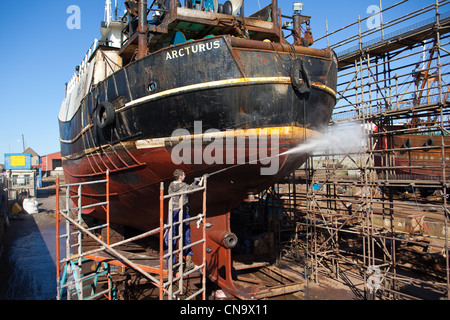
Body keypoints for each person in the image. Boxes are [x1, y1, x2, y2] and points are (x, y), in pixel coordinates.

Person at [165, 169, 203, 271]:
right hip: (182, 213)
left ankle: (170, 264)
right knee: (186, 235)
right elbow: (193, 189)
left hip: (172, 212)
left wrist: (194, 182)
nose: (185, 176)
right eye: (184, 175)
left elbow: (187, 188)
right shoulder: (184, 186)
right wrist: (200, 181)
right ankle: (188, 262)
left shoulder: (170, 186)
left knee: (171, 237)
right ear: (180, 176)